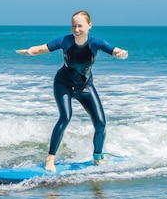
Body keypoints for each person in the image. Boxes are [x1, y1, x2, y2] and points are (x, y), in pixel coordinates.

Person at [16, 10, 128, 172]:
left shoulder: (96, 42)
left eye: (80, 26)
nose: (76, 29)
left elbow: (115, 50)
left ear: (89, 26)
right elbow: (43, 48)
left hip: (85, 86)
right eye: (73, 26)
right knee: (65, 117)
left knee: (101, 124)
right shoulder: (65, 41)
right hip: (63, 84)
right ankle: (50, 159)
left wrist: (121, 54)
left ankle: (97, 158)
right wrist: (30, 51)